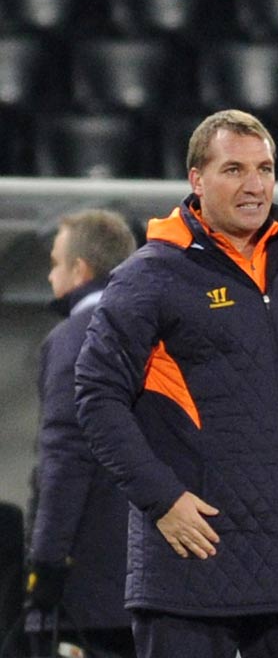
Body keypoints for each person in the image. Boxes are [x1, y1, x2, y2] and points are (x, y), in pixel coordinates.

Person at [74, 109, 278, 658]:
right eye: (233, 169)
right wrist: (162, 499)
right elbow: (97, 398)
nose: (254, 185)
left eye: (265, 169)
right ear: (196, 180)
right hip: (192, 570)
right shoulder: (150, 277)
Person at [24, 209, 138, 657]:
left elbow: (65, 460)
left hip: (87, 590)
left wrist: (46, 567)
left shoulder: (74, 338)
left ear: (80, 270)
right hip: (157, 585)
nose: (51, 277)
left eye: (55, 263)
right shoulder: (158, 329)